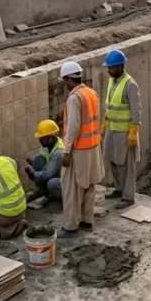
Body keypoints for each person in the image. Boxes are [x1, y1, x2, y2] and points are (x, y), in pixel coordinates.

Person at [58, 60, 104, 238]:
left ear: (69, 80)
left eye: (64, 81)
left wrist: (67, 152)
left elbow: (74, 127)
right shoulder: (91, 93)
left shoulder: (74, 98)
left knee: (71, 189)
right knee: (89, 186)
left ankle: (70, 227)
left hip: (79, 150)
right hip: (93, 147)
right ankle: (87, 220)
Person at [101, 50, 141, 209]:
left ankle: (128, 196)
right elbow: (110, 105)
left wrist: (133, 131)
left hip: (125, 132)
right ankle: (118, 189)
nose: (108, 70)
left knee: (127, 165)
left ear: (120, 66)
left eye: (111, 67)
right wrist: (104, 124)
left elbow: (136, 111)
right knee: (113, 160)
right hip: (112, 129)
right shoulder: (112, 81)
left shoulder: (130, 85)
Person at [24, 119, 64, 208]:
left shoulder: (58, 152)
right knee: (37, 160)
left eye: (42, 138)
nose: (40, 141)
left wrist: (33, 174)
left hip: (64, 180)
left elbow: (47, 174)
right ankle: (43, 192)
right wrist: (32, 164)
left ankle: (62, 198)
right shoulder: (49, 145)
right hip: (55, 173)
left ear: (50, 137)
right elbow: (43, 162)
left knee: (51, 183)